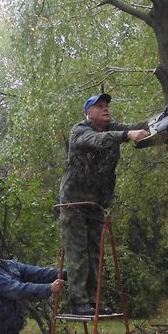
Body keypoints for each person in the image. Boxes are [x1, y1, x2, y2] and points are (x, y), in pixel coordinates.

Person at [58, 92, 149, 316]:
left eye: (107, 105)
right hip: (74, 202)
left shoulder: (112, 128)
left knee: (96, 253)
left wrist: (159, 120)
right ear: (89, 113)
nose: (106, 108)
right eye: (99, 106)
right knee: (78, 251)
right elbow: (100, 141)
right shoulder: (81, 131)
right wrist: (128, 135)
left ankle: (94, 300)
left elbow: (136, 126)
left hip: (96, 203)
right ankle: (78, 302)